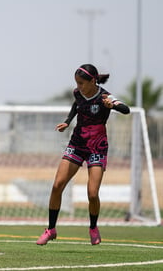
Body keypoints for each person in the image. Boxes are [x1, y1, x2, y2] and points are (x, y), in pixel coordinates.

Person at [36, 64, 130, 246]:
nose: (78, 86)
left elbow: (126, 109)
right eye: (76, 83)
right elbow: (76, 106)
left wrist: (113, 106)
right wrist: (67, 121)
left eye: (81, 83)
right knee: (57, 185)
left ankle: (93, 228)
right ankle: (51, 229)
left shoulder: (105, 96)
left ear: (93, 81)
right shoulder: (78, 93)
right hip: (77, 144)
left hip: (97, 147)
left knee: (92, 194)